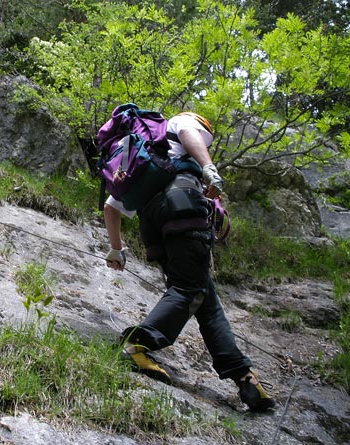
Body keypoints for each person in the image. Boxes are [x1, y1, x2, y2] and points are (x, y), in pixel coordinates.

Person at [103, 111, 275, 412]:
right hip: (182, 203)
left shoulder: (144, 156)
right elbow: (188, 133)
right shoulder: (182, 123)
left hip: (152, 221)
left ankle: (243, 376)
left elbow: (111, 207)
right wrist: (208, 168)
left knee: (204, 297)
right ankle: (137, 342)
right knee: (189, 288)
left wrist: (117, 250)